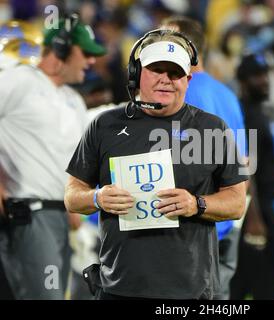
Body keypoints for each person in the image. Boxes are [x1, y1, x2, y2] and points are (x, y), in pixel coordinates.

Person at [64, 29, 247, 300]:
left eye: (174, 73)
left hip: (190, 289)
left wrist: (196, 204)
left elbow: (236, 202)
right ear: (137, 74)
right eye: (156, 70)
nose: (165, 80)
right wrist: (97, 197)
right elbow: (72, 196)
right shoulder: (104, 125)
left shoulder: (212, 128)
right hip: (119, 286)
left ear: (188, 80)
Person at [0, 14, 106, 300]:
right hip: (30, 213)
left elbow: (71, 157)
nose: (91, 61)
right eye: (85, 53)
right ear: (60, 49)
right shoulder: (19, 79)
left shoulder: (72, 99)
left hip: (60, 216)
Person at [160, 15, 247, 300]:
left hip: (193, 230)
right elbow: (245, 163)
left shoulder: (178, 95)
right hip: (226, 223)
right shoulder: (228, 95)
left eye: (165, 41)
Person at [230, 53, 274, 300]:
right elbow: (245, 169)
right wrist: (254, 217)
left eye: (265, 75)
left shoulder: (255, 112)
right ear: (242, 81)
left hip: (257, 207)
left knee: (243, 285)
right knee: (263, 287)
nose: (264, 81)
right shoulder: (246, 116)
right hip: (254, 213)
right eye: (257, 76)